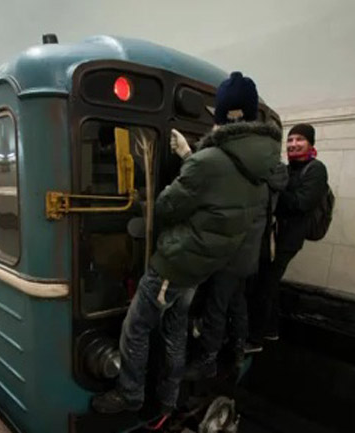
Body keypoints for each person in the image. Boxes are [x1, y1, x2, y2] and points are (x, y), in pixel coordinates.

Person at [92, 72, 281, 415]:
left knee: (135, 328)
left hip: (175, 264)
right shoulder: (261, 164)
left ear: (221, 117)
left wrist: (159, 189)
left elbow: (166, 207)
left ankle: (131, 394)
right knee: (175, 327)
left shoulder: (208, 161)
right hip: (204, 266)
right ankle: (168, 396)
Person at [184, 133, 287, 380]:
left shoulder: (251, 177)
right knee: (237, 301)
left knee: (216, 306)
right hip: (249, 253)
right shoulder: (272, 175)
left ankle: (207, 359)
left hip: (232, 251)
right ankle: (238, 349)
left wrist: (189, 156)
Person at [253, 123, 328, 347]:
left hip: (288, 239)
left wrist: (274, 191)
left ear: (310, 143)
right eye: (291, 139)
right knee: (270, 283)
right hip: (275, 235)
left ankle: (254, 338)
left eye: (300, 140)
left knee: (265, 285)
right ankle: (271, 329)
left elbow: (301, 203)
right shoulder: (288, 168)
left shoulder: (316, 169)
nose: (294, 144)